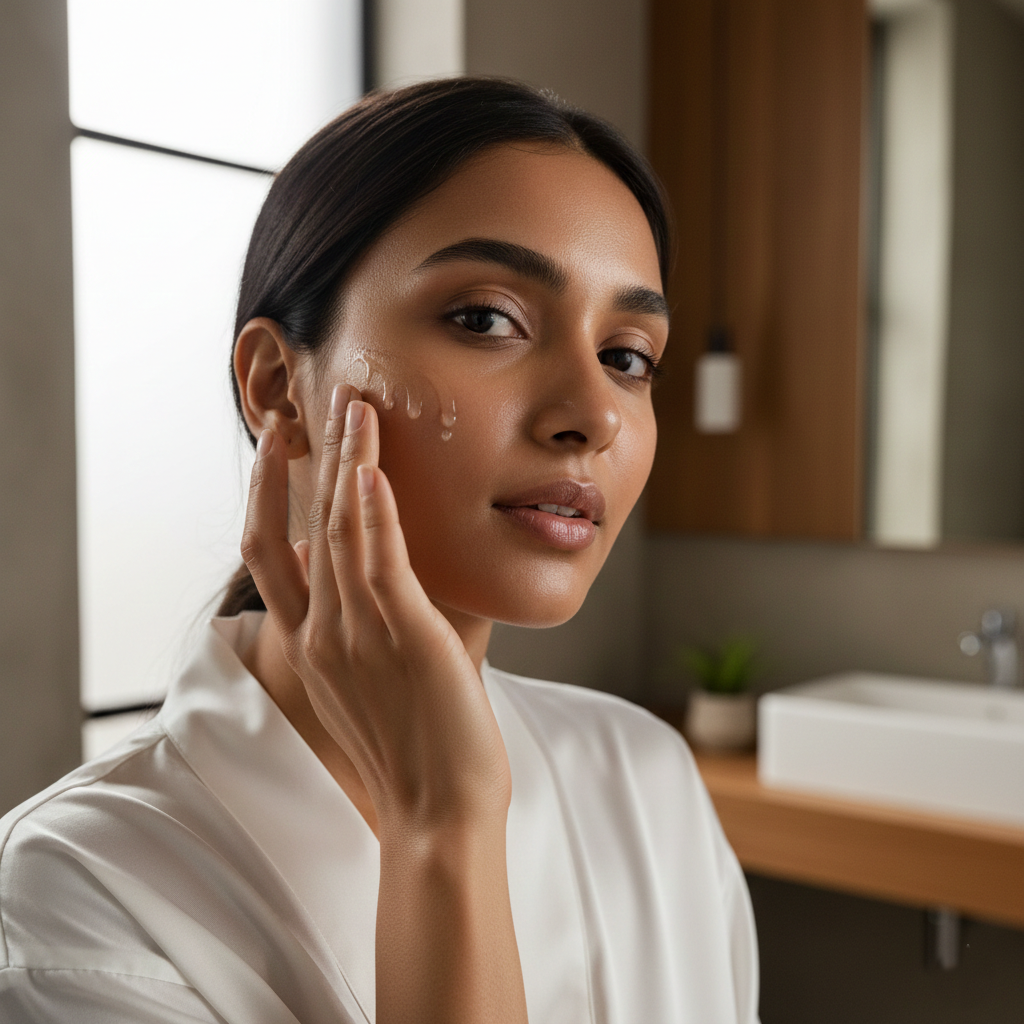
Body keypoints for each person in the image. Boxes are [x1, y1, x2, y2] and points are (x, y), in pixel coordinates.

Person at [0, 78, 759, 1023]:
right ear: (279, 387)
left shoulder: (646, 777)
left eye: (627, 355)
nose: (596, 414)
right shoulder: (75, 897)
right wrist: (442, 826)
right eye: (486, 318)